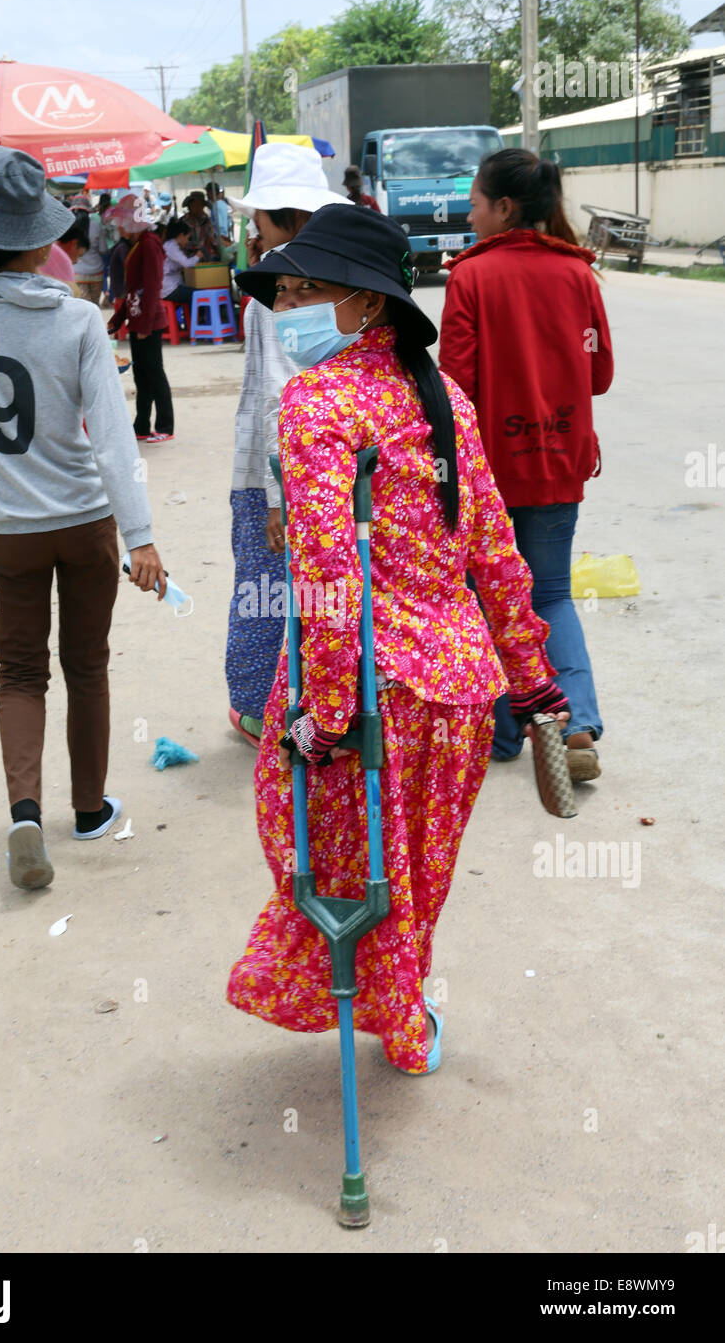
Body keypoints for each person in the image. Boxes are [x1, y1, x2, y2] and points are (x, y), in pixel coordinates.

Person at [226, 204, 568, 1075]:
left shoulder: (316, 403)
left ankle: (393, 1018)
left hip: (372, 689)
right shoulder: (440, 397)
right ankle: (407, 1017)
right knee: (410, 876)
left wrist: (329, 715)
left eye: (311, 290)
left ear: (369, 304)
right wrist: (532, 686)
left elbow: (328, 576)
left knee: (339, 871)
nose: (291, 306)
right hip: (454, 692)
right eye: (286, 289)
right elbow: (496, 555)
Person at [0, 146, 166, 891]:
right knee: (86, 665)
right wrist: (141, 537)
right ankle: (91, 809)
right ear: (43, 242)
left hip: (7, 528)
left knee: (20, 673)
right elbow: (112, 434)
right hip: (86, 521)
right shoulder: (77, 322)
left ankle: (25, 814)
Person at [438, 149, 613, 781]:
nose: (469, 211)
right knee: (554, 595)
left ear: (504, 207)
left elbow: (453, 386)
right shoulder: (577, 275)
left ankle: (506, 732)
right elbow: (600, 374)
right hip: (561, 457)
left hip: (490, 468)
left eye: (476, 201)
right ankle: (580, 722)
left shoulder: (471, 278)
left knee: (487, 595)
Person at [225, 142, 350, 746]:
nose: (253, 227)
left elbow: (280, 394)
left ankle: (260, 708)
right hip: (320, 466)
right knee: (309, 593)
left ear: (281, 217)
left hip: (274, 469)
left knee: (263, 590)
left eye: (258, 217)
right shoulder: (331, 285)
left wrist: (277, 496)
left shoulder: (278, 289)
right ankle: (296, 705)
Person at [106, 193, 174, 443]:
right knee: (141, 376)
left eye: (121, 222)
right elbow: (133, 290)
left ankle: (165, 426)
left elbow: (153, 287)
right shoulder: (135, 244)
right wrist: (118, 318)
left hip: (149, 321)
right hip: (137, 319)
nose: (118, 227)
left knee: (154, 373)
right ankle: (142, 425)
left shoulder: (149, 244)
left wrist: (144, 324)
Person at [38, 209, 89, 292]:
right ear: (74, 244)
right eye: (79, 255)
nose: (76, 261)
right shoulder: (61, 258)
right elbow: (71, 292)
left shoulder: (46, 247)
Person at [70, 193, 105, 304]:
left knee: (84, 310)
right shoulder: (96, 225)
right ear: (88, 209)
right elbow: (103, 249)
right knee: (95, 307)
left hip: (77, 273)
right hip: (97, 272)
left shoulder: (69, 227)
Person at [161, 218, 200, 306]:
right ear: (181, 235)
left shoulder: (171, 245)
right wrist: (198, 256)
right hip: (169, 289)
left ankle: (193, 318)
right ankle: (197, 319)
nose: (187, 242)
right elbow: (187, 264)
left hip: (168, 288)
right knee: (200, 294)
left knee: (193, 293)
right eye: (187, 238)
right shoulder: (171, 247)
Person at [180, 190, 220, 262]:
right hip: (186, 258)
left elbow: (212, 238)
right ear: (189, 206)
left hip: (203, 258)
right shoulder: (183, 221)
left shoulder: (206, 221)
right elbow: (179, 242)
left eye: (200, 205)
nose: (198, 208)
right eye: (195, 205)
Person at [206, 180, 236, 262]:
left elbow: (221, 226)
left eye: (207, 192)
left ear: (211, 192)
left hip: (220, 239)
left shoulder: (216, 205)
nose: (206, 194)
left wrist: (220, 240)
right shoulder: (221, 204)